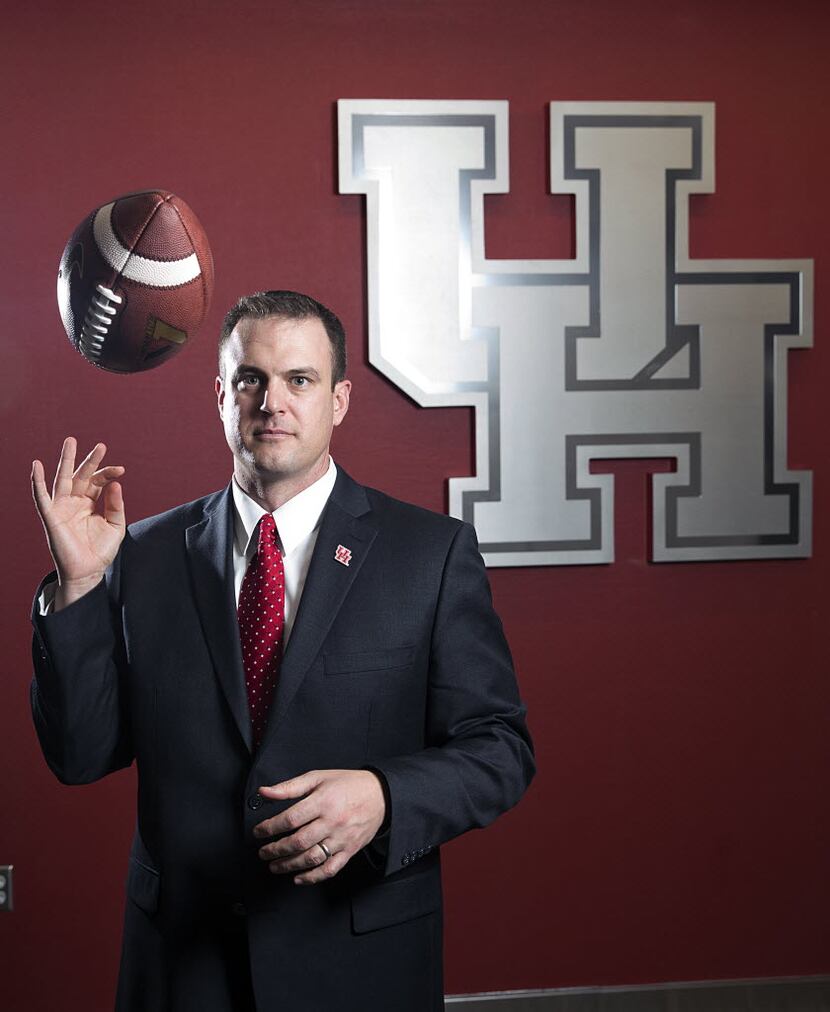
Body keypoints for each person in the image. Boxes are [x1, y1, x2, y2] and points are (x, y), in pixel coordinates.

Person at [30, 290, 534, 1012]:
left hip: (359, 962)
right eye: (250, 380)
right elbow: (80, 757)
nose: (274, 402)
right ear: (220, 397)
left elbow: (501, 748)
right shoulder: (140, 555)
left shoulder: (429, 554)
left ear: (339, 400)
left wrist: (384, 798)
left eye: (300, 380)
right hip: (183, 966)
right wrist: (79, 587)